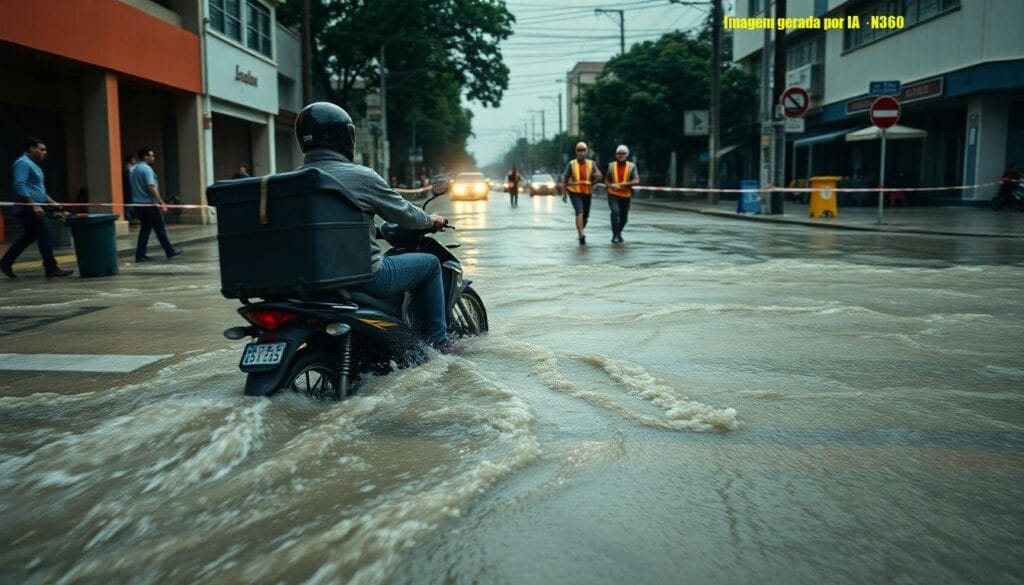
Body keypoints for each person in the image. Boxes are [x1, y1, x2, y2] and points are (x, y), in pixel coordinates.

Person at [293, 102, 454, 351]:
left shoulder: (291, 181)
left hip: (307, 282)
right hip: (364, 278)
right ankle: (439, 344)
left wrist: (375, 231)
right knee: (431, 264)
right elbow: (405, 213)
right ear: (345, 136)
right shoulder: (361, 177)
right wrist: (429, 220)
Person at [1, 137, 74, 278]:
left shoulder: (33, 165)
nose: (45, 152)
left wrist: (53, 203)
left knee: (30, 235)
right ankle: (51, 267)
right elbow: (19, 185)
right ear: (31, 149)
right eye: (42, 149)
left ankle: (6, 261)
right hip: (27, 208)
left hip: (35, 207)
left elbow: (39, 190)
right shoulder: (22, 163)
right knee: (45, 234)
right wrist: (34, 205)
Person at [129, 147, 182, 262]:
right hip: (149, 204)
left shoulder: (133, 169)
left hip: (138, 204)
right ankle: (169, 251)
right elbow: (151, 187)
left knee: (145, 229)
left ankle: (140, 255)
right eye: (151, 155)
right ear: (145, 157)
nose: (153, 158)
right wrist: (161, 202)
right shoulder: (146, 169)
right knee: (159, 228)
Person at [561, 141, 602, 245]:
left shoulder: (591, 164)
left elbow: (599, 175)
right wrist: (564, 193)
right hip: (575, 192)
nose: (581, 152)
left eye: (583, 150)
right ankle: (581, 235)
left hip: (587, 192)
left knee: (586, 217)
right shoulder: (571, 164)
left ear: (586, 151)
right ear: (576, 152)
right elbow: (564, 178)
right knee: (579, 212)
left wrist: (596, 178)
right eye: (579, 150)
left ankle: (580, 230)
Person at [605, 144, 639, 243]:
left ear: (627, 154)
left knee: (624, 218)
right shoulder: (611, 166)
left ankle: (618, 233)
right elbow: (607, 179)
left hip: (625, 195)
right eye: (619, 153)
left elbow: (636, 180)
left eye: (623, 153)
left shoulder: (632, 166)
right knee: (615, 212)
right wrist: (608, 185)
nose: (621, 155)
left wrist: (625, 184)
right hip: (613, 194)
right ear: (616, 155)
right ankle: (615, 236)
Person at [122, 154, 139, 223]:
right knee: (129, 205)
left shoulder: (131, 169)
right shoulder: (128, 170)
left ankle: (130, 218)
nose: (136, 161)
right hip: (128, 191)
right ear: (131, 161)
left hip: (130, 191)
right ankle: (129, 219)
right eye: (134, 160)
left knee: (130, 205)